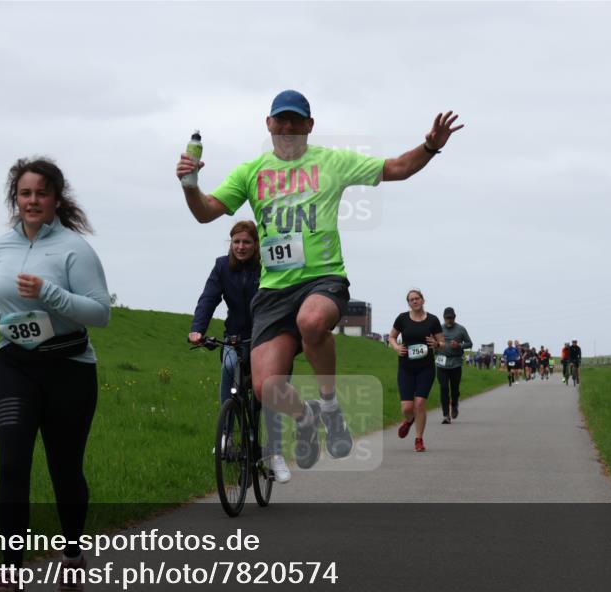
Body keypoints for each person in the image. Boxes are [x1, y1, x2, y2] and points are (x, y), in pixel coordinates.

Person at [176, 90, 463, 468]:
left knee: (311, 321)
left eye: (296, 120)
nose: (288, 127)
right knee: (264, 388)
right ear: (268, 124)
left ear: (310, 125)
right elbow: (206, 212)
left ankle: (330, 406)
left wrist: (430, 146)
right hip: (273, 291)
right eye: (281, 119)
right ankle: (306, 416)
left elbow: (397, 168)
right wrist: (190, 185)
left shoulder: (332, 161)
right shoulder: (251, 172)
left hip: (322, 280)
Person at [0, 157, 111, 592]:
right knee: (12, 465)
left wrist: (48, 293)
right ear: (16, 198)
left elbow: (100, 312)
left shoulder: (75, 249)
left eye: (41, 194)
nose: (32, 201)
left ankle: (71, 556)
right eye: (25, 193)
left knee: (64, 469)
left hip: (68, 367)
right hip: (14, 366)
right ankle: (10, 574)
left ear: (56, 199)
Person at [188, 221, 290, 483]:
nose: (241, 247)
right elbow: (208, 298)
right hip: (235, 335)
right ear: (231, 243)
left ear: (256, 245)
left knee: (268, 391)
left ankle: (275, 452)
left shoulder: (267, 267)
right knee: (229, 365)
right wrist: (197, 329)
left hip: (266, 336)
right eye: (236, 242)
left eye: (246, 242)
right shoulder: (222, 266)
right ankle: (227, 434)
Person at [388, 290, 444, 452]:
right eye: (411, 300)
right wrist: (396, 347)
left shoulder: (433, 320)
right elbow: (391, 337)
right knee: (407, 408)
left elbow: (442, 343)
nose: (414, 301)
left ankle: (418, 439)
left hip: (426, 368)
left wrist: (436, 344)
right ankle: (409, 420)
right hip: (406, 368)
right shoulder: (402, 318)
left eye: (417, 298)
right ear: (408, 303)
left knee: (419, 403)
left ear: (423, 300)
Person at [435, 307, 473, 424]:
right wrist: (435, 346)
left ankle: (454, 404)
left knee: (455, 389)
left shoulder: (461, 329)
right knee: (444, 388)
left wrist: (459, 345)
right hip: (441, 363)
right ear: (444, 318)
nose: (449, 320)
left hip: (455, 363)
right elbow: (432, 342)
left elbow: (469, 343)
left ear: (454, 317)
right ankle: (446, 415)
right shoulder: (438, 329)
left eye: (451, 318)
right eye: (447, 318)